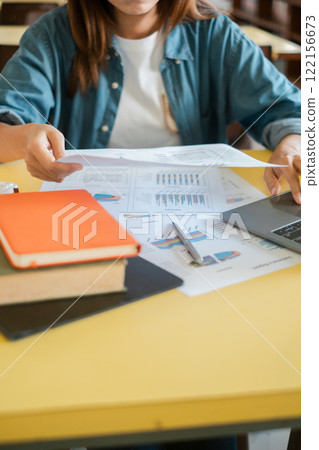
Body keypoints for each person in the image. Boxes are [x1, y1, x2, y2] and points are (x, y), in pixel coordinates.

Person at [0, 0, 300, 204]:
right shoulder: (51, 35)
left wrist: (291, 144)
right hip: (85, 207)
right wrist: (24, 138)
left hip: (197, 207)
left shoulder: (216, 34)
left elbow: (289, 111)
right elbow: (5, 122)